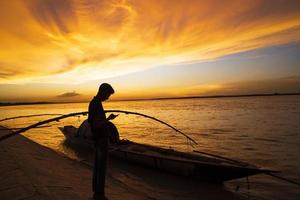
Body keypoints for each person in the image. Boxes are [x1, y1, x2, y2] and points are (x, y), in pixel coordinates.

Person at [88, 83, 118, 200]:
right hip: (101, 139)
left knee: (98, 166)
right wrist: (108, 119)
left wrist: (106, 119)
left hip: (99, 139)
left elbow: (93, 121)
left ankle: (97, 192)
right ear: (103, 92)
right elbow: (96, 124)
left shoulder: (95, 103)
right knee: (101, 167)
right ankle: (100, 194)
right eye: (108, 94)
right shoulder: (95, 104)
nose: (108, 97)